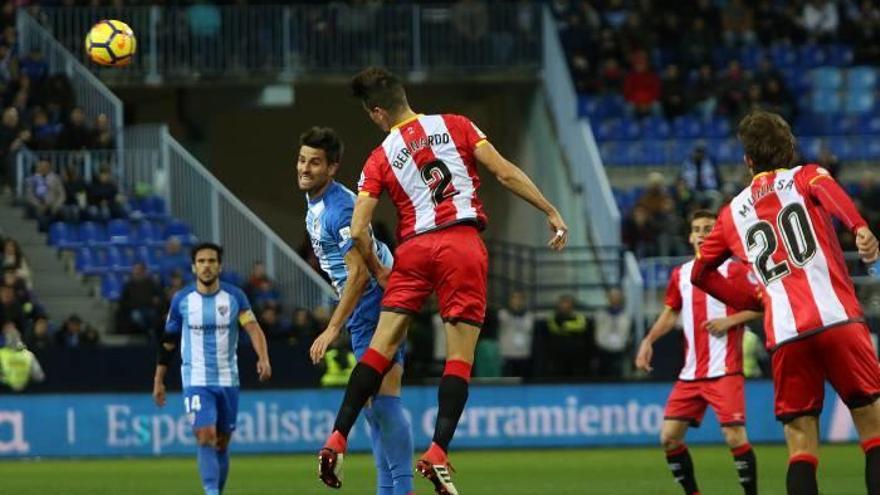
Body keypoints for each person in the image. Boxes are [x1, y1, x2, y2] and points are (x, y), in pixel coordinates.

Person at [318, 66, 569, 495]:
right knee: (459, 357)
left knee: (380, 350)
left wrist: (382, 271)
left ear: (377, 112)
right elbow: (504, 173)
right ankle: (437, 453)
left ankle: (336, 437)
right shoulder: (456, 125)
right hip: (461, 244)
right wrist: (550, 211)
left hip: (413, 250)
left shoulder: (379, 158)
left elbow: (359, 229)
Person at [690, 109, 880, 495]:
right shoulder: (806, 176)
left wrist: (756, 299)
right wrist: (858, 227)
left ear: (747, 161)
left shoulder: (731, 215)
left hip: (788, 335)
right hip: (838, 320)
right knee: (873, 429)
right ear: (789, 149)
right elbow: (831, 192)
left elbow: (700, 274)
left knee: (800, 444)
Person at [298, 126, 414, 495]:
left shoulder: (339, 209)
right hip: (370, 302)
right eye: (302, 160)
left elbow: (360, 273)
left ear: (332, 168)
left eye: (315, 163)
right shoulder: (317, 203)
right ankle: (389, 489)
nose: (304, 168)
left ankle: (403, 488)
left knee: (384, 398)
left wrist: (332, 328)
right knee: (373, 403)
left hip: (375, 302)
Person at [636, 210, 761, 495]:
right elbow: (670, 314)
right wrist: (649, 340)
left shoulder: (736, 270)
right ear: (690, 236)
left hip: (725, 370)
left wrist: (730, 321)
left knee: (733, 435)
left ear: (718, 234)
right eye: (697, 229)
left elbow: (762, 306)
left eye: (708, 228)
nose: (703, 234)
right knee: (669, 438)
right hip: (691, 374)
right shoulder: (681, 274)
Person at [152, 242, 271, 495]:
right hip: (195, 379)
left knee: (222, 443)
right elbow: (169, 342)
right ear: (194, 267)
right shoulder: (182, 300)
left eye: (212, 261)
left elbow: (253, 329)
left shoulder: (235, 297)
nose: (207, 266)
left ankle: (217, 489)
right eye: (202, 261)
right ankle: (211, 492)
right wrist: (158, 380)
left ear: (220, 266)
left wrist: (263, 358)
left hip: (228, 379)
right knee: (205, 435)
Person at [594, 287, 631, 378]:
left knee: (619, 374)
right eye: (612, 296)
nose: (614, 299)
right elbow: (597, 331)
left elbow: (627, 332)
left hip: (619, 350)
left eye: (617, 296)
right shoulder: (600, 314)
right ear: (608, 298)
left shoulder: (626, 316)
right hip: (603, 349)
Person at [496, 290, 535, 378]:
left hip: (524, 355)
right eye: (515, 298)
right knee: (507, 383)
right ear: (510, 300)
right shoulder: (502, 314)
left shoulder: (529, 316)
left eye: (520, 298)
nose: (517, 301)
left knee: (524, 383)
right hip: (507, 355)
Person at [0, 325, 45, 392]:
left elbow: (39, 377)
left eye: (15, 336)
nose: (13, 338)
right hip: (5, 393)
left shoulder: (28, 355)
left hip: (25, 394)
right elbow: (39, 377)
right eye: (10, 336)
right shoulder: (1, 353)